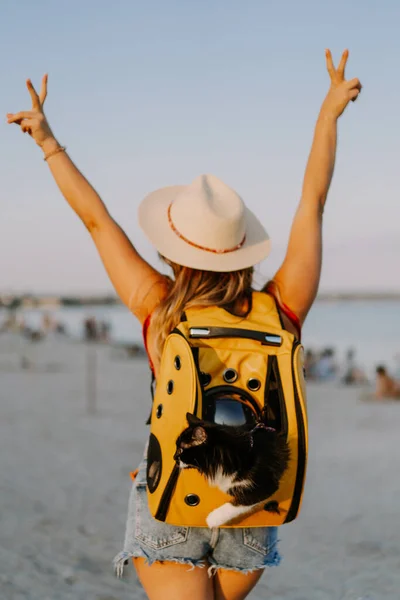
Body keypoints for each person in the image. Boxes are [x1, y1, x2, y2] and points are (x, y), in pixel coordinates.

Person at [7, 49, 361, 600]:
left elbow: (97, 222)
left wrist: (49, 144)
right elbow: (312, 203)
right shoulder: (282, 307)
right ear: (242, 249)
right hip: (254, 497)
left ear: (174, 252)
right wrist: (328, 115)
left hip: (172, 491)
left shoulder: (161, 307)